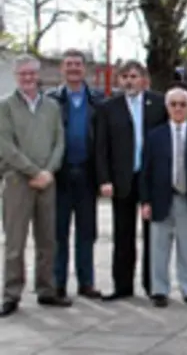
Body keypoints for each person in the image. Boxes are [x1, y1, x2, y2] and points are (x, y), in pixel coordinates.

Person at [0, 55, 71, 317]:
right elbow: (5, 146)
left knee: (47, 240)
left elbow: (59, 143)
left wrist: (48, 171)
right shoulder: (5, 106)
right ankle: (11, 294)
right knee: (15, 242)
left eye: (31, 73)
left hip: (47, 181)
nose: (28, 78)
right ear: (16, 76)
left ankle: (46, 290)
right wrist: (33, 171)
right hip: (18, 180)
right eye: (23, 74)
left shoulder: (51, 106)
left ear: (38, 75)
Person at [95, 61, 168, 301]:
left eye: (134, 76)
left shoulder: (159, 104)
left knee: (153, 235)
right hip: (122, 179)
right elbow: (101, 147)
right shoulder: (108, 108)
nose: (129, 81)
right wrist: (104, 179)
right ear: (118, 80)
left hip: (151, 179)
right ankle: (123, 286)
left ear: (144, 79)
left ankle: (153, 286)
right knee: (123, 234)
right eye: (124, 76)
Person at [140, 88, 187, 307]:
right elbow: (146, 171)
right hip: (161, 198)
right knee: (158, 247)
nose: (178, 108)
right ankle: (159, 290)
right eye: (173, 104)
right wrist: (145, 201)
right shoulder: (156, 135)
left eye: (182, 104)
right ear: (167, 107)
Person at [46, 49, 105, 299]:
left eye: (77, 64)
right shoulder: (51, 100)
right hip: (60, 175)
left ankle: (86, 282)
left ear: (85, 69)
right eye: (68, 64)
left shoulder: (97, 100)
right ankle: (57, 282)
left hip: (87, 175)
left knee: (86, 232)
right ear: (62, 68)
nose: (73, 68)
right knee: (58, 233)